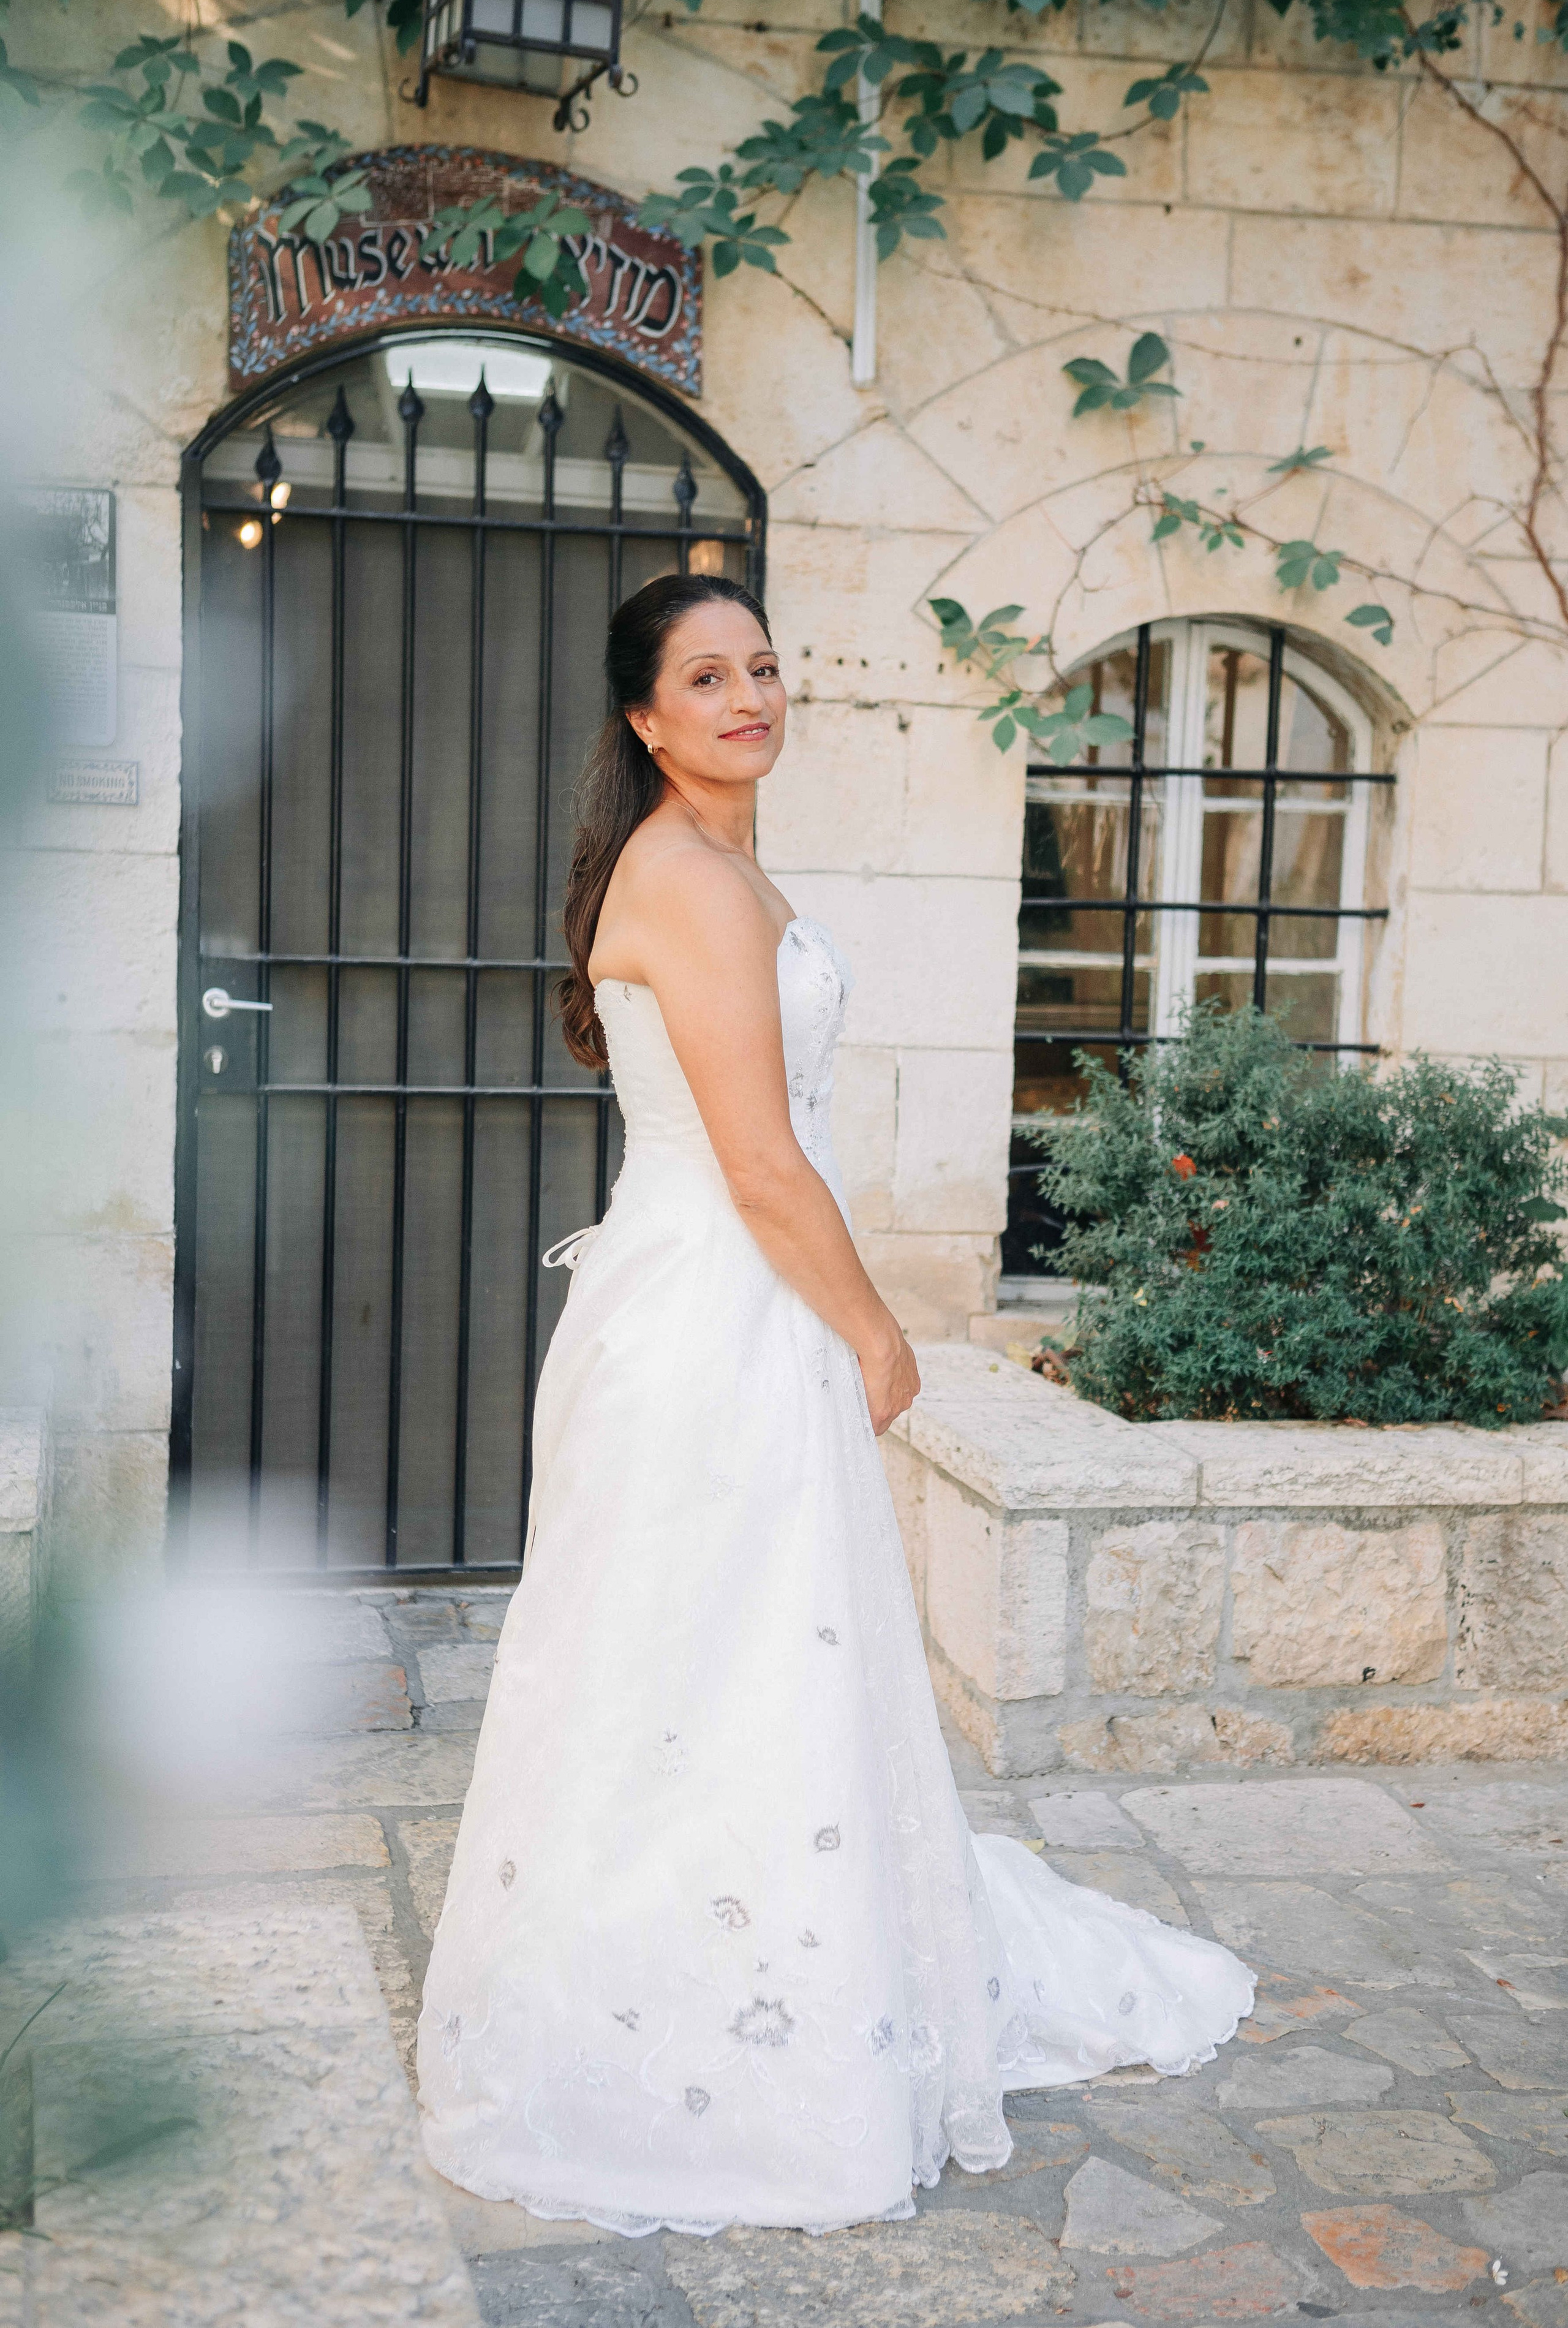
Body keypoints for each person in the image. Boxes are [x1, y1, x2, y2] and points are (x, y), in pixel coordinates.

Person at [416, 572, 1254, 2236]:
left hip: (711, 1297)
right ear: (645, 717)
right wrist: (877, 1328)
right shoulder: (692, 879)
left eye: (767, 668)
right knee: (694, 1650)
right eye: (707, 677)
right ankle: (687, 2021)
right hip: (719, 1303)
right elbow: (758, 1161)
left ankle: (761, 1948)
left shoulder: (723, 863)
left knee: (721, 1649)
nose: (749, 698)